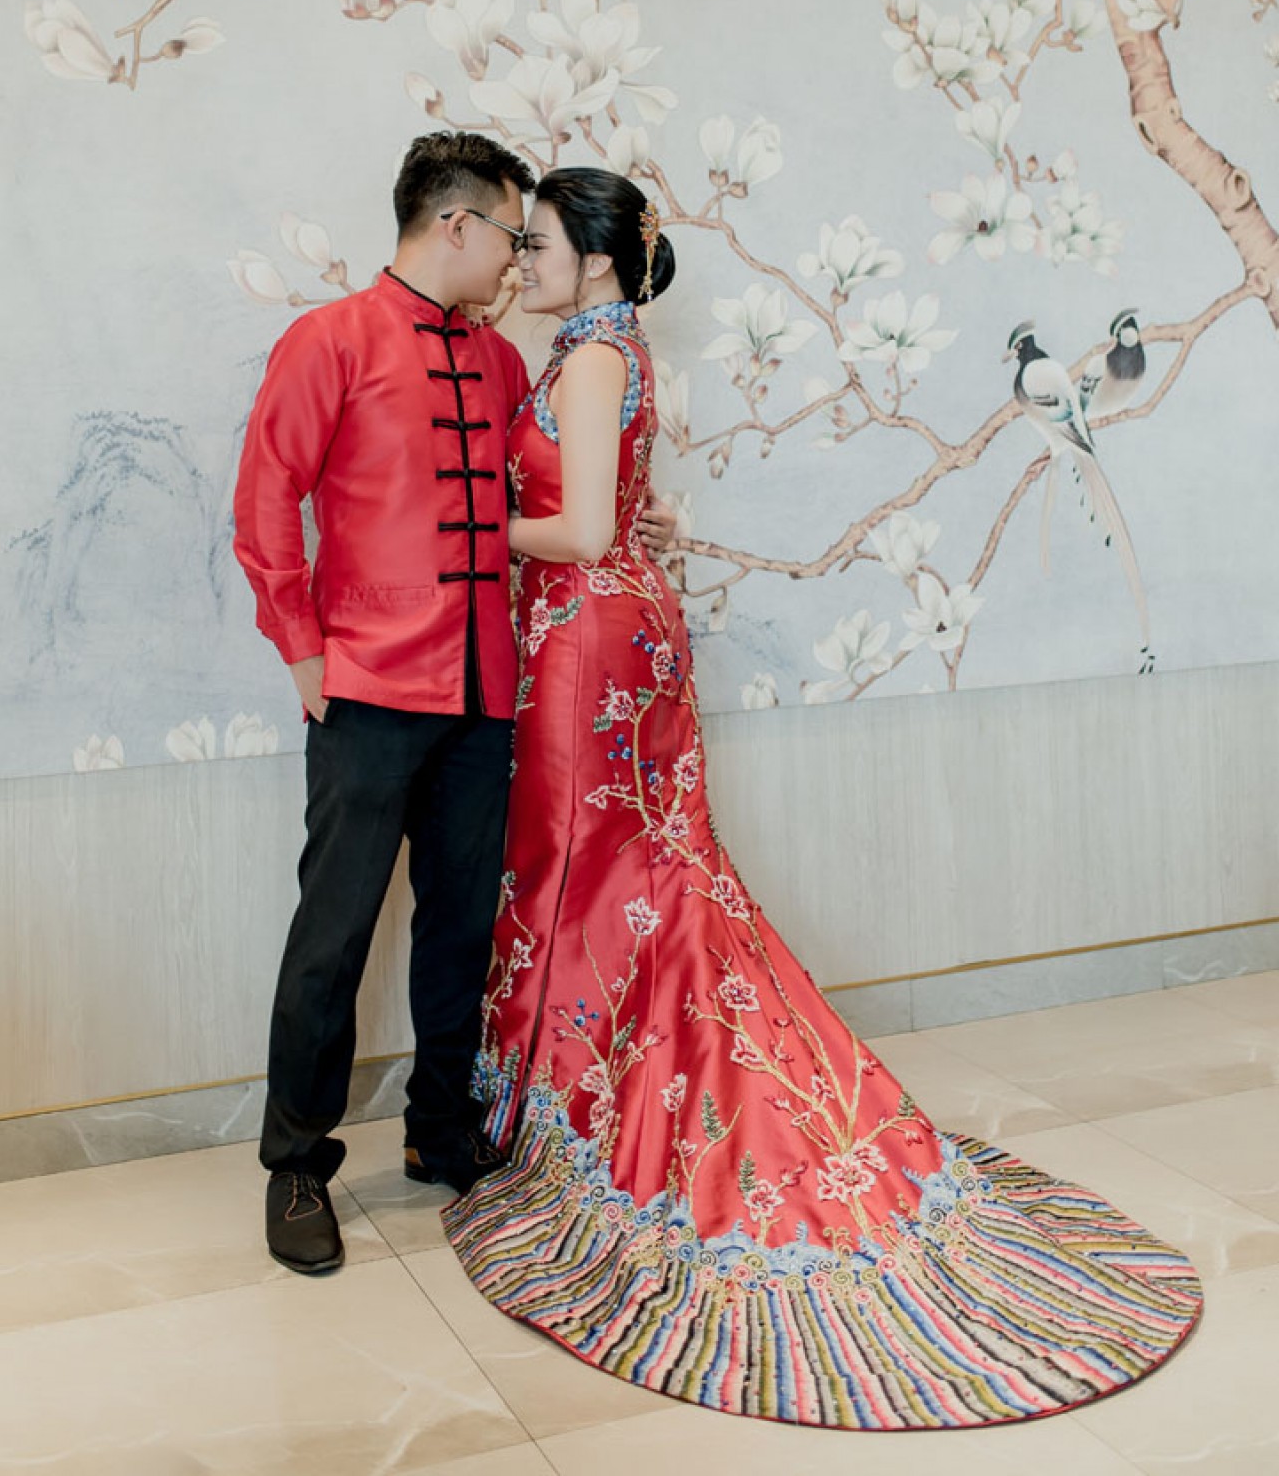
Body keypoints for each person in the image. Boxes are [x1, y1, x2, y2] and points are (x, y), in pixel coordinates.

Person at [442, 165, 1203, 1430]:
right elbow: (605, 515)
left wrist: (464, 525)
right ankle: (583, 1096)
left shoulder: (591, 357)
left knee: (598, 873)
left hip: (586, 638)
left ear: (596, 258)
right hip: (603, 632)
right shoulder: (597, 350)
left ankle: (590, 1112)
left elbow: (577, 534)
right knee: (631, 872)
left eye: (537, 245)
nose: (520, 263)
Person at [235, 133, 674, 1275]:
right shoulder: (328, 339)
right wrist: (302, 652)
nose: (518, 261)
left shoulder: (498, 363)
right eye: (511, 236)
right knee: (334, 930)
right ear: (457, 225)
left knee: (463, 923)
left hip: (487, 693)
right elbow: (265, 499)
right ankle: (295, 1163)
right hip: (368, 689)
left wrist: (635, 515)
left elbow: (555, 491)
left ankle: (441, 1129)